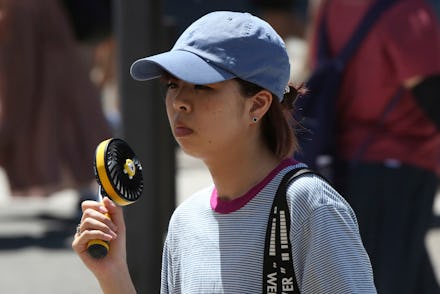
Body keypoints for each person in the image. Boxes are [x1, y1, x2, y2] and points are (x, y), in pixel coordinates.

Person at [72, 11, 376, 293]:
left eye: (203, 86)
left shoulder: (310, 207)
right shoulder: (186, 222)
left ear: (257, 104)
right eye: (172, 84)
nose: (179, 101)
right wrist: (112, 275)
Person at [307, 0, 440, 293]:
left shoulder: (331, 7)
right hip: (399, 171)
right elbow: (431, 93)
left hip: (348, 167)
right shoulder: (406, 10)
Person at [0, 0, 112, 199]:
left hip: (38, 23)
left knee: (61, 103)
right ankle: (84, 178)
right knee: (46, 105)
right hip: (34, 22)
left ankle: (87, 177)